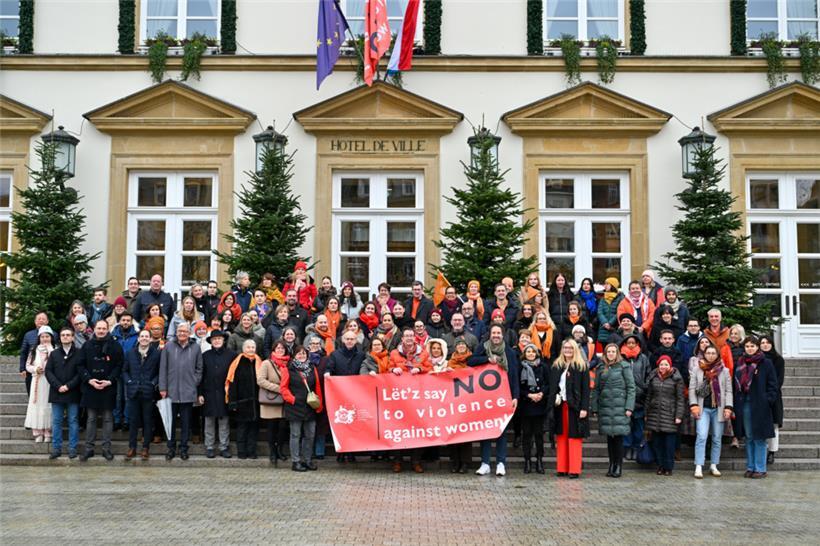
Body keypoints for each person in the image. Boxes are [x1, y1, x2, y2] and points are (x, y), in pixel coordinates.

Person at [469, 324, 520, 477]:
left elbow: (514, 376)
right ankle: (485, 463)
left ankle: (500, 463)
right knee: (485, 431)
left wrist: (515, 396)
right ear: (490, 334)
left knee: (501, 431)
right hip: (485, 398)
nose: (496, 335)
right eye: (494, 333)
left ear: (502, 335)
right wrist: (487, 359)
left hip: (503, 397)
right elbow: (471, 361)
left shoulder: (509, 352)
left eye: (498, 333)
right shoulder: (483, 347)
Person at [78, 320, 124, 462]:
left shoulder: (115, 346)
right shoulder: (87, 345)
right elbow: (80, 365)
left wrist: (110, 380)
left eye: (104, 328)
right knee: (91, 419)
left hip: (108, 387)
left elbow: (120, 365)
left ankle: (106, 449)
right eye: (99, 328)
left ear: (108, 329)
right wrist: (89, 380)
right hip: (91, 387)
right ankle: (88, 449)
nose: (101, 331)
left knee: (108, 418)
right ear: (94, 329)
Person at [733, 336, 778, 478]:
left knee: (760, 437)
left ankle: (760, 468)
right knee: (749, 437)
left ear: (757, 347)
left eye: (752, 346)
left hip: (760, 406)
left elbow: (773, 385)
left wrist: (767, 400)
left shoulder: (766, 363)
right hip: (744, 404)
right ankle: (750, 467)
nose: (750, 348)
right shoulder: (740, 362)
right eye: (747, 346)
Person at [388, 328, 433, 473]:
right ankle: (397, 461)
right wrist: (393, 370)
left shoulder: (423, 353)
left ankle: (416, 461)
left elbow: (430, 367)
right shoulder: (394, 353)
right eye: (406, 336)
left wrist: (419, 369)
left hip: (417, 398)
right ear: (402, 339)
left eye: (411, 336)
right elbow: (388, 367)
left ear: (415, 338)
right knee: (398, 429)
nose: (408, 338)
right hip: (399, 398)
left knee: (418, 429)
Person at [159, 322, 203, 461]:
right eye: (179, 331)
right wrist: (163, 388)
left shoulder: (195, 348)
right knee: (170, 422)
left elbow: (199, 369)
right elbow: (163, 369)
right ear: (176, 332)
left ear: (189, 333)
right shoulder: (168, 347)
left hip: (188, 392)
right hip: (171, 391)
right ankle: (171, 448)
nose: (182, 333)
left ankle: (184, 448)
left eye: (185, 331)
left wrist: (193, 382)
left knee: (185, 423)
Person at [591, 342, 635, 478]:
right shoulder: (600, 368)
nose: (610, 354)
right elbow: (596, 389)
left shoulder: (624, 367)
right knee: (610, 440)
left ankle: (618, 466)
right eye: (608, 352)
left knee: (618, 439)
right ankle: (611, 465)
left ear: (617, 353)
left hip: (620, 407)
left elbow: (631, 388)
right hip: (605, 407)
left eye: (613, 352)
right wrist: (595, 407)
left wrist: (629, 407)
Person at [689, 344, 733, 479]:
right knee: (701, 436)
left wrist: (728, 407)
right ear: (704, 354)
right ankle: (699, 466)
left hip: (718, 408)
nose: (711, 355)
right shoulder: (697, 369)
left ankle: (714, 465)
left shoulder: (724, 371)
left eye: (714, 353)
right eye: (708, 353)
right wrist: (694, 405)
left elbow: (728, 390)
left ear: (717, 355)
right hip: (703, 408)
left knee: (717, 438)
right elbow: (692, 389)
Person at [548, 339, 590, 479]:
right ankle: (562, 468)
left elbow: (586, 390)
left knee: (574, 438)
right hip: (560, 406)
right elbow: (552, 387)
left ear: (575, 350)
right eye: (565, 348)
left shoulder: (581, 366)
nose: (567, 350)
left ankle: (574, 469)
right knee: (561, 437)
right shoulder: (556, 365)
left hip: (575, 407)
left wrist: (584, 408)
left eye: (570, 348)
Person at [280, 344, 323, 471]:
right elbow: (283, 388)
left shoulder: (312, 367)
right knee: (295, 435)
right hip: (295, 406)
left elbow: (317, 386)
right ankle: (296, 461)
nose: (302, 355)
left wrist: (319, 404)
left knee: (310, 434)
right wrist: (291, 399)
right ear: (294, 356)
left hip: (309, 406)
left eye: (304, 353)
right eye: (299, 353)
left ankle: (307, 459)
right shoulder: (288, 368)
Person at [122, 329, 160, 460]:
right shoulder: (130, 353)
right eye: (142, 336)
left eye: (146, 336)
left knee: (148, 421)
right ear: (138, 339)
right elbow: (125, 371)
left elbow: (159, 372)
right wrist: (129, 381)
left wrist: (153, 383)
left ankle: (145, 448)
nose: (144, 338)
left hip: (148, 392)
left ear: (150, 339)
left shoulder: (156, 354)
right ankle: (132, 447)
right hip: (133, 392)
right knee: (133, 421)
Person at [45, 327, 82, 459]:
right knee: (56, 421)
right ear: (60, 338)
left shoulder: (79, 353)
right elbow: (48, 371)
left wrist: (68, 386)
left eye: (68, 335)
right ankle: (56, 448)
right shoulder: (54, 354)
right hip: (57, 392)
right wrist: (59, 386)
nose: (65, 337)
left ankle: (72, 448)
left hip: (73, 392)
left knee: (73, 420)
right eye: (63, 335)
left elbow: (80, 373)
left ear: (72, 337)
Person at [198, 330, 235, 459]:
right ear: (211, 341)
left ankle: (224, 447)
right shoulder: (205, 355)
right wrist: (200, 393)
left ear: (223, 340)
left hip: (225, 393)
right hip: (208, 392)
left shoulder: (232, 355)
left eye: (219, 338)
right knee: (209, 421)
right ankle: (209, 447)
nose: (217, 341)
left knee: (224, 421)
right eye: (214, 339)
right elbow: (200, 376)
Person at [645, 354, 685, 475]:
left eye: (666, 364)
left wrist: (678, 416)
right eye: (661, 364)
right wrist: (646, 412)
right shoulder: (653, 377)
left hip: (670, 415)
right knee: (657, 444)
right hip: (655, 415)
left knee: (669, 445)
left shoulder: (676, 378)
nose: (663, 366)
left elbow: (680, 398)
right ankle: (660, 466)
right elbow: (649, 396)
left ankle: (668, 467)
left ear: (670, 365)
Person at [225, 339, 262, 459]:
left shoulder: (259, 361)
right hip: (242, 402)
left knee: (253, 429)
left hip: (255, 403)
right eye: (248, 347)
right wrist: (233, 402)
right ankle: (241, 452)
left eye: (253, 347)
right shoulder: (237, 362)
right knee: (242, 429)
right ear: (243, 348)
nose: (251, 349)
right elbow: (233, 383)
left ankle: (252, 451)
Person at [619, 334, 650, 461]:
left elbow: (648, 374)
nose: (631, 345)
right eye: (628, 343)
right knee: (626, 425)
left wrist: (644, 387)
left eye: (633, 342)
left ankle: (636, 448)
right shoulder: (620, 358)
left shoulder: (643, 358)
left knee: (638, 426)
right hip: (625, 397)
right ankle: (627, 447)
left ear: (638, 344)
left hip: (640, 397)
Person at [518, 343, 548, 474]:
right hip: (526, 405)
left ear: (537, 353)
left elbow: (548, 383)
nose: (531, 354)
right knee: (527, 435)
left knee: (539, 435)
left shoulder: (543, 367)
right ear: (525, 354)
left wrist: (541, 394)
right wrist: (529, 395)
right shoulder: (520, 367)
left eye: (533, 351)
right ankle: (527, 461)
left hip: (540, 405)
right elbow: (518, 386)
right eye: (528, 351)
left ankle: (539, 460)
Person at [261, 340, 293, 461]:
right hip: (272, 400)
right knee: (272, 427)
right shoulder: (266, 363)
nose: (280, 350)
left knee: (282, 427)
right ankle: (272, 452)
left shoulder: (289, 364)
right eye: (277, 348)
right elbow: (261, 380)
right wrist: (279, 389)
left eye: (282, 348)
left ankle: (280, 449)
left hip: (285, 401)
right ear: (273, 350)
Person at [445, 338, 473, 473]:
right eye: (459, 345)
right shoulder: (450, 362)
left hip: (468, 402)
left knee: (466, 435)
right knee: (453, 434)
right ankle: (455, 462)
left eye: (463, 344)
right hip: (453, 403)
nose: (461, 346)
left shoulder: (472, 360)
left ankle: (465, 463)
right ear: (455, 348)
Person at [24, 326, 55, 442]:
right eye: (42, 337)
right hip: (37, 380)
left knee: (48, 404)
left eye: (47, 336)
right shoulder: (33, 350)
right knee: (36, 405)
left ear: (51, 338)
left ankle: (48, 431)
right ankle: (38, 432)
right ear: (39, 338)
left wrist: (50, 349)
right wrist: (36, 369)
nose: (45, 339)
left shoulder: (55, 350)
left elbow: (56, 363)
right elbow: (28, 366)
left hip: (49, 382)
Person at [111, 312, 139, 431]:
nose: (126, 322)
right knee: (117, 396)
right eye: (123, 320)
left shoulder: (136, 336)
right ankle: (117, 420)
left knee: (128, 397)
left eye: (128, 320)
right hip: (116, 370)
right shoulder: (113, 335)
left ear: (131, 322)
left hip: (130, 370)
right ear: (119, 321)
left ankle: (127, 420)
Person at [759, 335, 784, 465]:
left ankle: (772, 452)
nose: (765, 345)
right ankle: (761, 451)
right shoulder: (757, 359)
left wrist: (769, 395)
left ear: (772, 344)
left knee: (774, 425)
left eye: (767, 343)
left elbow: (779, 380)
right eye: (762, 343)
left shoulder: (778, 359)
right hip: (758, 396)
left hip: (773, 397)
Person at [20, 311, 50, 395]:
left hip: (48, 371)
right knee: (32, 394)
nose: (41, 320)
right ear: (35, 321)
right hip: (31, 369)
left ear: (47, 321)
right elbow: (23, 352)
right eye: (39, 319)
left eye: (43, 319)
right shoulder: (28, 335)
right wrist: (22, 368)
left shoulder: (53, 334)